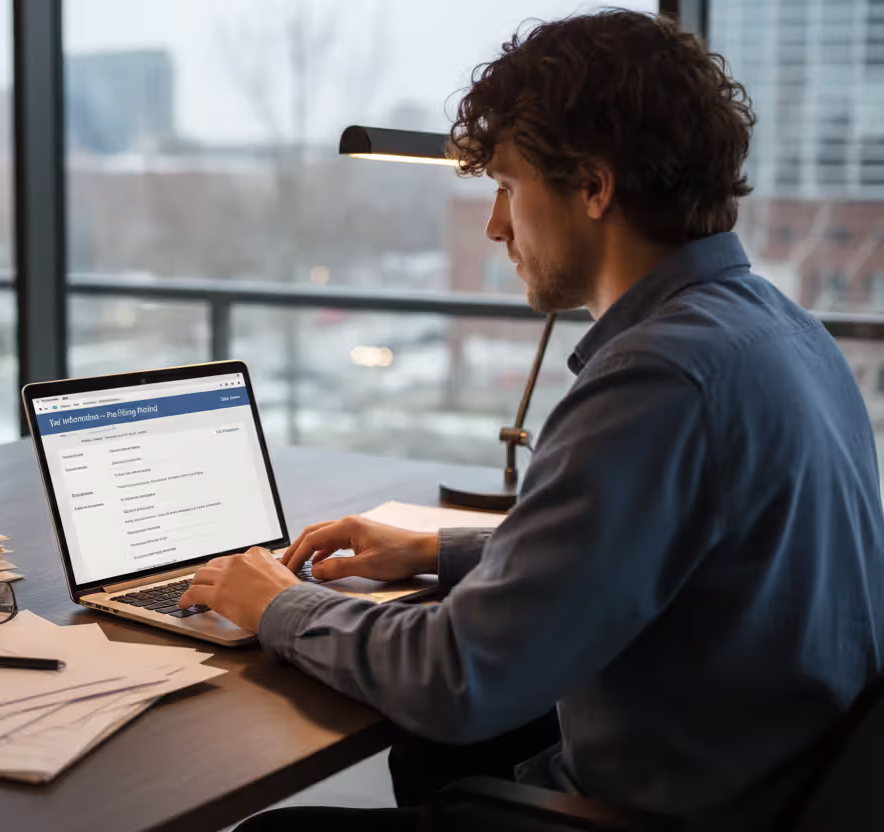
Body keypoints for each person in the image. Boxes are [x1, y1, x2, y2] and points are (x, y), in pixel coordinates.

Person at [176, 9, 884, 831]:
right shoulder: (781, 329)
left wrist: (276, 604)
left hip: (664, 809)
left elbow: (460, 678)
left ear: (593, 186)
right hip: (777, 783)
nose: (495, 226)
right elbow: (672, 552)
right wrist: (439, 551)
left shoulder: (657, 381)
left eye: (508, 188)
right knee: (435, 755)